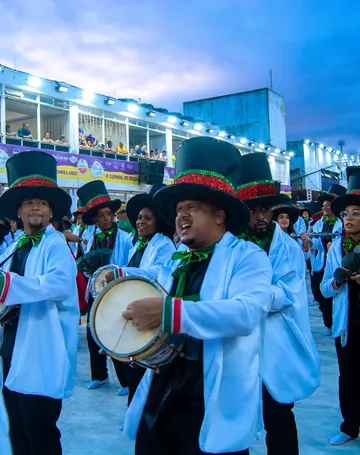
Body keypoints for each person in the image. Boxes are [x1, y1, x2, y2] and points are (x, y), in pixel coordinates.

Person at [123, 137, 273, 455]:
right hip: (164, 388)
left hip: (210, 394)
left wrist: (171, 313)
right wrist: (118, 279)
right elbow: (153, 286)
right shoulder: (178, 256)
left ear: (219, 216)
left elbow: (246, 313)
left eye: (191, 208)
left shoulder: (248, 257)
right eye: (178, 210)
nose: (181, 216)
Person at [236, 152, 320, 455]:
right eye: (252, 209)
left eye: (264, 208)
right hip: (241, 344)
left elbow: (288, 293)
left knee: (279, 413)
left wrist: (250, 296)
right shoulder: (233, 246)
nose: (260, 216)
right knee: (238, 416)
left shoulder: (289, 249)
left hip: (276, 343)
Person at [0, 150, 78, 455]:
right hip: (12, 344)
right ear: (18, 211)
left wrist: (8, 286)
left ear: (51, 212)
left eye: (42, 202)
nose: (36, 206)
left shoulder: (56, 244)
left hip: (42, 347)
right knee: (16, 426)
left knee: (40, 430)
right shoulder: (14, 246)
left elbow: (58, 284)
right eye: (29, 202)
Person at [108, 184, 176, 404]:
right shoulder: (136, 245)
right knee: (132, 362)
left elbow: (159, 273)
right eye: (139, 218)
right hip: (133, 307)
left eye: (147, 218)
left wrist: (122, 271)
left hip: (151, 312)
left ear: (158, 221)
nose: (140, 222)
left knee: (144, 366)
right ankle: (132, 409)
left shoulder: (164, 244)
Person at [77, 180, 132, 392]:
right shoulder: (89, 237)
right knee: (92, 333)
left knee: (115, 332)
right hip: (95, 291)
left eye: (108, 213)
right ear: (95, 220)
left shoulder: (126, 238)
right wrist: (90, 271)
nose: (106, 218)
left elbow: (129, 264)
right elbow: (86, 266)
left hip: (116, 291)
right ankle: (99, 375)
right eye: (101, 216)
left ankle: (125, 379)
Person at [321, 170, 360, 446]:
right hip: (347, 323)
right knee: (348, 376)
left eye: (356, 213)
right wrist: (338, 282)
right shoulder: (335, 248)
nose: (349, 218)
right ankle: (350, 426)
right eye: (346, 213)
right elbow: (323, 288)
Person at [303, 184, 346, 336]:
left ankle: (337, 322)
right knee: (321, 292)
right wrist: (309, 243)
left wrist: (332, 245)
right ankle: (328, 323)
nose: (325, 208)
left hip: (335, 263)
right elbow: (314, 243)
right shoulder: (318, 224)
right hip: (320, 263)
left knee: (337, 293)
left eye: (328, 206)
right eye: (323, 206)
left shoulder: (342, 223)